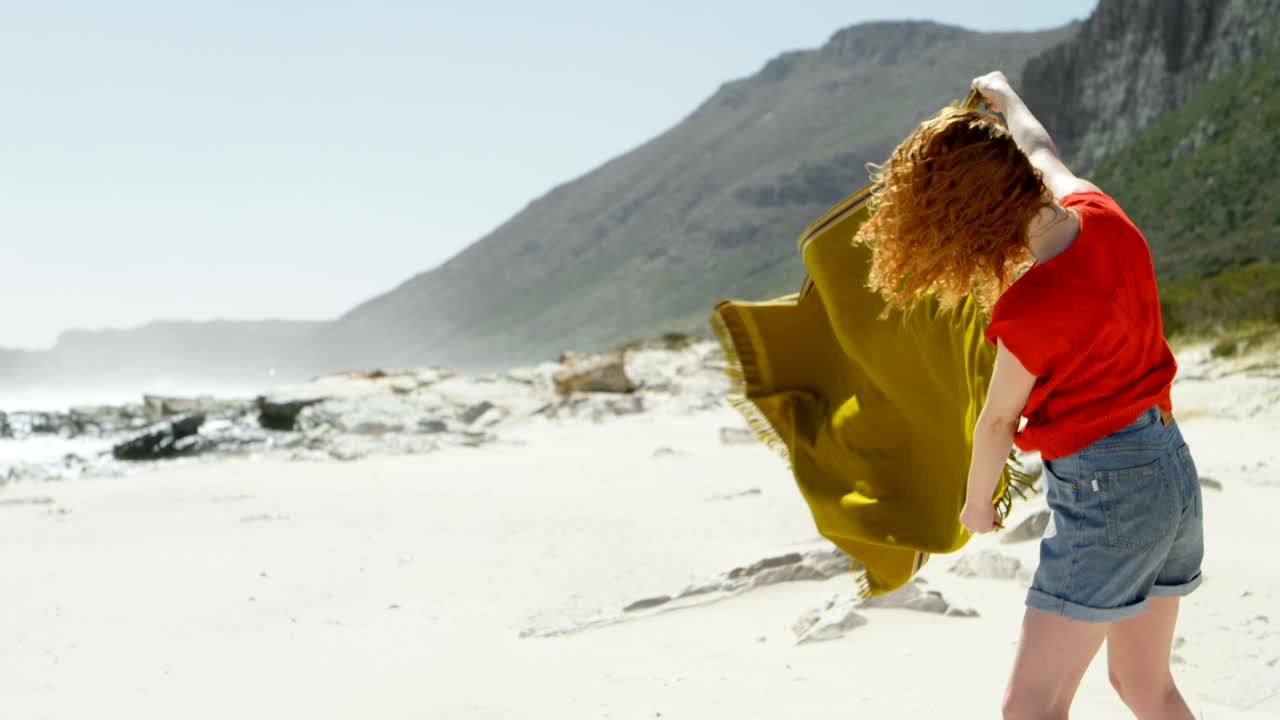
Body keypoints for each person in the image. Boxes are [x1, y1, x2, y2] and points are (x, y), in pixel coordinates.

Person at [850, 70, 1205, 719]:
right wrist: (1006, 98)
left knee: (1030, 709)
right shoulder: (1105, 215)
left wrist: (975, 504)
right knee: (1144, 686)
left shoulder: (1030, 308)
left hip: (1110, 496)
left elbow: (996, 424)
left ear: (968, 220)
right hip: (1171, 474)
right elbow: (1043, 149)